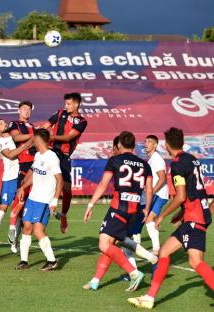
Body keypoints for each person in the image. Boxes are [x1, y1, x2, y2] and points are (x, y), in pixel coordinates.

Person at [128, 127, 214, 309]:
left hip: (194, 217)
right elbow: (194, 192)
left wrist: (162, 216)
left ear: (166, 145)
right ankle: (149, 298)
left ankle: (149, 297)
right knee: (169, 254)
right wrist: (179, 214)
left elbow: (181, 195)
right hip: (199, 214)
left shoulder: (177, 164)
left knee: (194, 262)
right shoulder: (192, 159)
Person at [83, 131, 153, 292]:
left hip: (118, 208)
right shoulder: (145, 164)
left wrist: (91, 204)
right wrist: (147, 209)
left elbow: (103, 184)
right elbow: (149, 190)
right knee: (111, 244)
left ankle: (134, 272)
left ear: (119, 144)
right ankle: (95, 280)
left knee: (103, 244)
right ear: (134, 145)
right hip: (134, 210)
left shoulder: (115, 160)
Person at [15, 128, 64, 271]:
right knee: (27, 227)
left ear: (38, 140)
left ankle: (52, 260)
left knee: (38, 230)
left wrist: (54, 201)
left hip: (44, 200)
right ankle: (24, 261)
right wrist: (23, 187)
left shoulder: (52, 157)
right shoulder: (37, 155)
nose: (32, 142)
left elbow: (60, 181)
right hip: (32, 198)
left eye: (33, 140)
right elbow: (34, 175)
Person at [41, 93, 88, 233]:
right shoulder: (60, 113)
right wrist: (41, 134)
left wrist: (50, 137)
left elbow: (68, 137)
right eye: (65, 103)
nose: (65, 106)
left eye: (68, 104)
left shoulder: (82, 121)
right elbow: (46, 125)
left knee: (67, 189)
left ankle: (64, 215)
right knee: (43, 182)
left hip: (64, 156)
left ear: (76, 104)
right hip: (50, 152)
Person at [0, 119, 33, 261]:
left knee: (21, 210)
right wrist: (28, 143)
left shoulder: (16, 136)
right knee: (2, 209)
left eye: (3, 122)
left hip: (23, 176)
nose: (3, 124)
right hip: (9, 179)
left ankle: (14, 240)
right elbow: (11, 155)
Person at [8, 100, 35, 253]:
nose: (27, 111)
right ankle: (13, 230)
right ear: (19, 110)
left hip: (37, 166)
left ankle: (20, 238)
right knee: (20, 198)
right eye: (24, 108)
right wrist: (33, 137)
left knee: (30, 205)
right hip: (24, 165)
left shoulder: (34, 127)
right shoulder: (15, 124)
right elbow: (16, 138)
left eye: (29, 109)